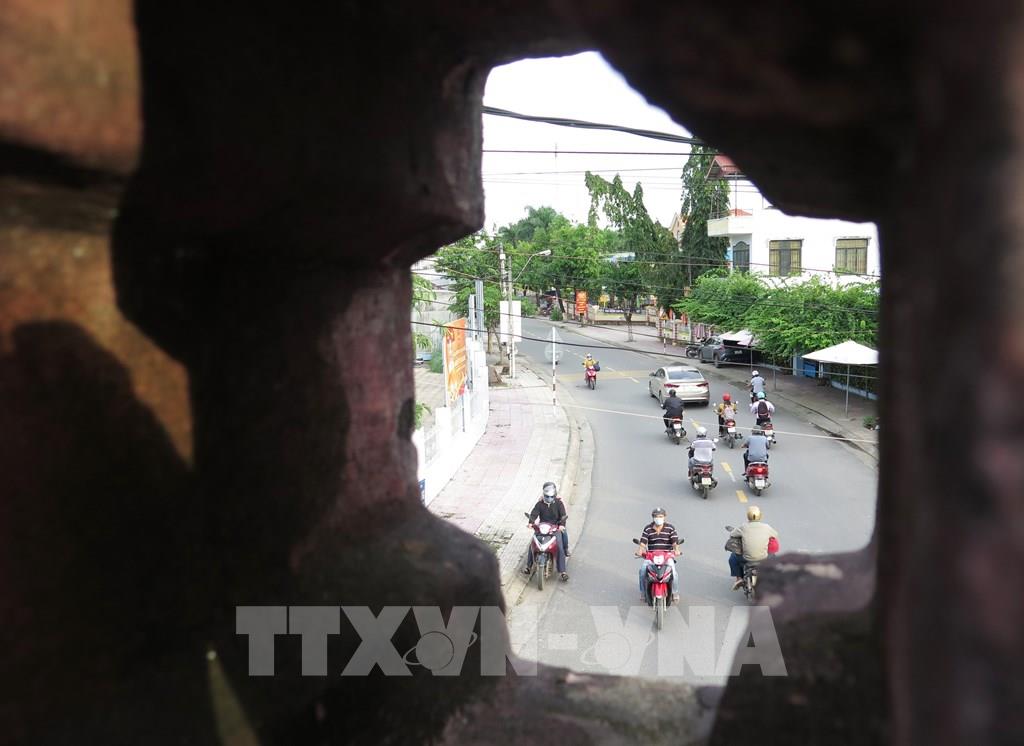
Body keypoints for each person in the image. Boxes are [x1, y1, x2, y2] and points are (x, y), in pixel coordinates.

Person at [523, 481, 569, 580]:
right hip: (542, 528)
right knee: (533, 544)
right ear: (543, 495)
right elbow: (534, 513)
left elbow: (563, 515)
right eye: (547, 496)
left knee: (560, 546)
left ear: (554, 495)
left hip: (555, 528)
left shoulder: (559, 503)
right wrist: (531, 522)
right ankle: (528, 566)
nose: (549, 498)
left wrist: (561, 525)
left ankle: (563, 571)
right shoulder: (540, 504)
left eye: (551, 496)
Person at [635, 507, 682, 603]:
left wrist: (676, 550)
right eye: (656, 516)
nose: (658, 518)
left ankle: (674, 592)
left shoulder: (670, 528)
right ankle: (643, 592)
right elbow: (643, 542)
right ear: (653, 517)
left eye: (660, 516)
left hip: (667, 555)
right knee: (643, 571)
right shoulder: (648, 528)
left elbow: (675, 542)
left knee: (674, 573)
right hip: (651, 555)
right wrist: (639, 550)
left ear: (665, 517)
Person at [727, 505, 780, 590]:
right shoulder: (766, 527)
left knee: (733, 558)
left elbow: (732, 534)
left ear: (748, 516)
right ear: (760, 515)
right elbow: (775, 535)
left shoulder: (743, 527)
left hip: (746, 558)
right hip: (763, 557)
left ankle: (739, 579)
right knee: (774, 557)